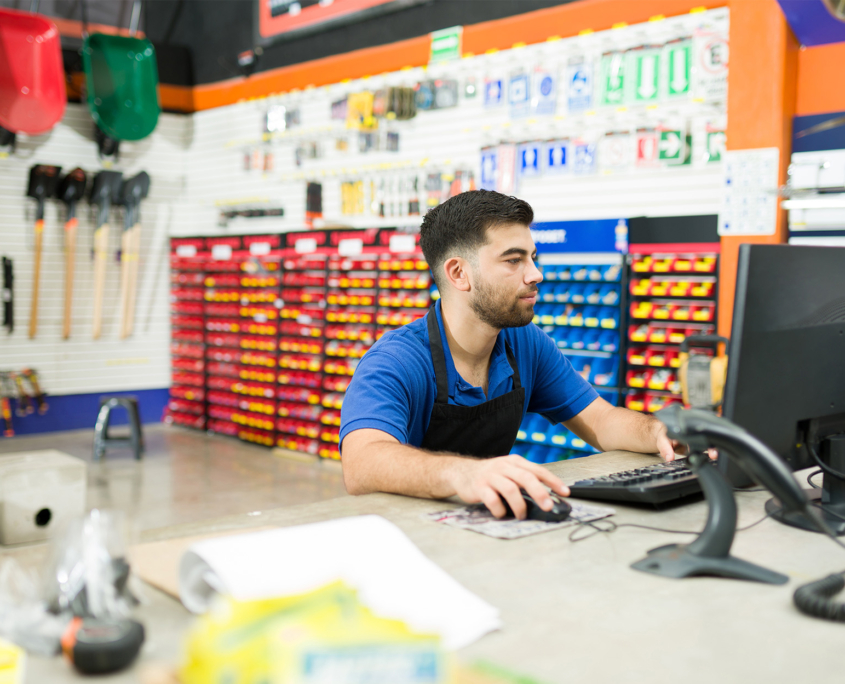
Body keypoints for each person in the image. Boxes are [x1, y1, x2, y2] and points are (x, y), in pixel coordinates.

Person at [340, 190, 688, 519]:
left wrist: (658, 432)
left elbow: (600, 421)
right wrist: (465, 474)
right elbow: (362, 462)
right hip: (408, 541)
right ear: (459, 273)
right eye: (513, 260)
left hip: (489, 527)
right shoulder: (396, 361)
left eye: (532, 258)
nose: (536, 274)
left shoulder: (526, 344)